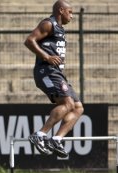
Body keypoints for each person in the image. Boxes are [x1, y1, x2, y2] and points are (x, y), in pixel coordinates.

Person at [24, 0, 84, 158]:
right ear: (61, 10)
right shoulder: (48, 24)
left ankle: (56, 139)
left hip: (57, 73)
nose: (72, 15)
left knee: (78, 108)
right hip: (46, 71)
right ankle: (40, 134)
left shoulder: (60, 29)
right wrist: (47, 57)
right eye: (70, 12)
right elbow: (29, 40)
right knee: (67, 103)